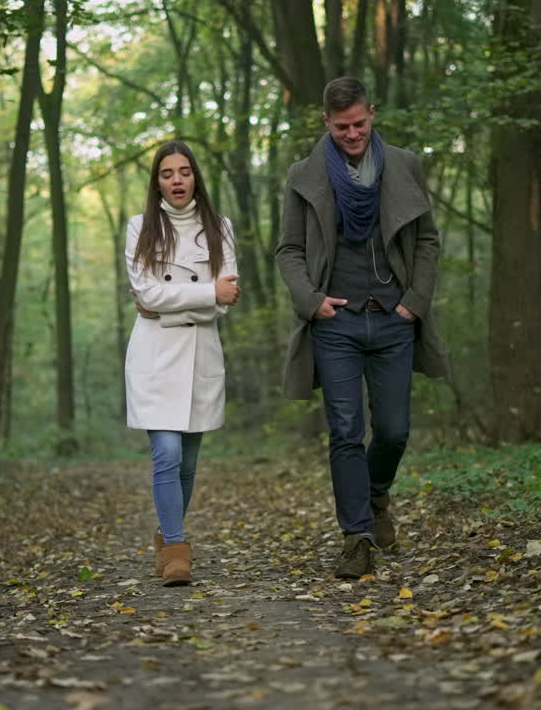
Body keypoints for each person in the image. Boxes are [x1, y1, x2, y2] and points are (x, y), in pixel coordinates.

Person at [275, 77, 448, 579]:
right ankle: (357, 537)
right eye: (342, 126)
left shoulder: (404, 163)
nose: (352, 134)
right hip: (336, 323)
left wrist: (415, 302)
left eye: (359, 123)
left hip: (394, 318)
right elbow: (288, 249)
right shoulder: (304, 174)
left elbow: (427, 240)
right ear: (326, 123)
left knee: (393, 431)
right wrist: (311, 301)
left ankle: (375, 498)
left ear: (372, 114)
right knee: (346, 431)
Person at [125, 141, 240, 587]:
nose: (177, 180)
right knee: (167, 453)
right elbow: (147, 293)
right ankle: (176, 549)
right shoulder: (140, 228)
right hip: (154, 358)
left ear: (195, 178)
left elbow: (225, 302)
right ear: (156, 181)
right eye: (167, 173)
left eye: (185, 171)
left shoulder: (219, 228)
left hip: (200, 356)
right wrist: (206, 294)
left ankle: (166, 535)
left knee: (188, 463)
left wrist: (184, 303)